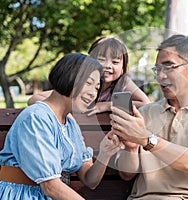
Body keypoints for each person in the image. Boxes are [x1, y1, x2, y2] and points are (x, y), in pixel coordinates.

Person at [109, 34, 188, 199]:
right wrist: (131, 147)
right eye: (158, 69)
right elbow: (126, 175)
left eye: (169, 67)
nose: (160, 76)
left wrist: (145, 139)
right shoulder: (144, 113)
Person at [0, 53, 123, 199]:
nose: (92, 94)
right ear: (68, 76)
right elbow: (50, 186)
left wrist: (105, 153)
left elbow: (90, 180)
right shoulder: (36, 118)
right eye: (88, 83)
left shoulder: (70, 125)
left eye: (96, 88)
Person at [27, 36, 150, 115]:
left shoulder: (123, 82)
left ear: (123, 68)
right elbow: (34, 99)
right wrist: (67, 111)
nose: (107, 65)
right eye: (101, 59)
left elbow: (146, 104)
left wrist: (106, 105)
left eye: (115, 62)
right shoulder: (81, 82)